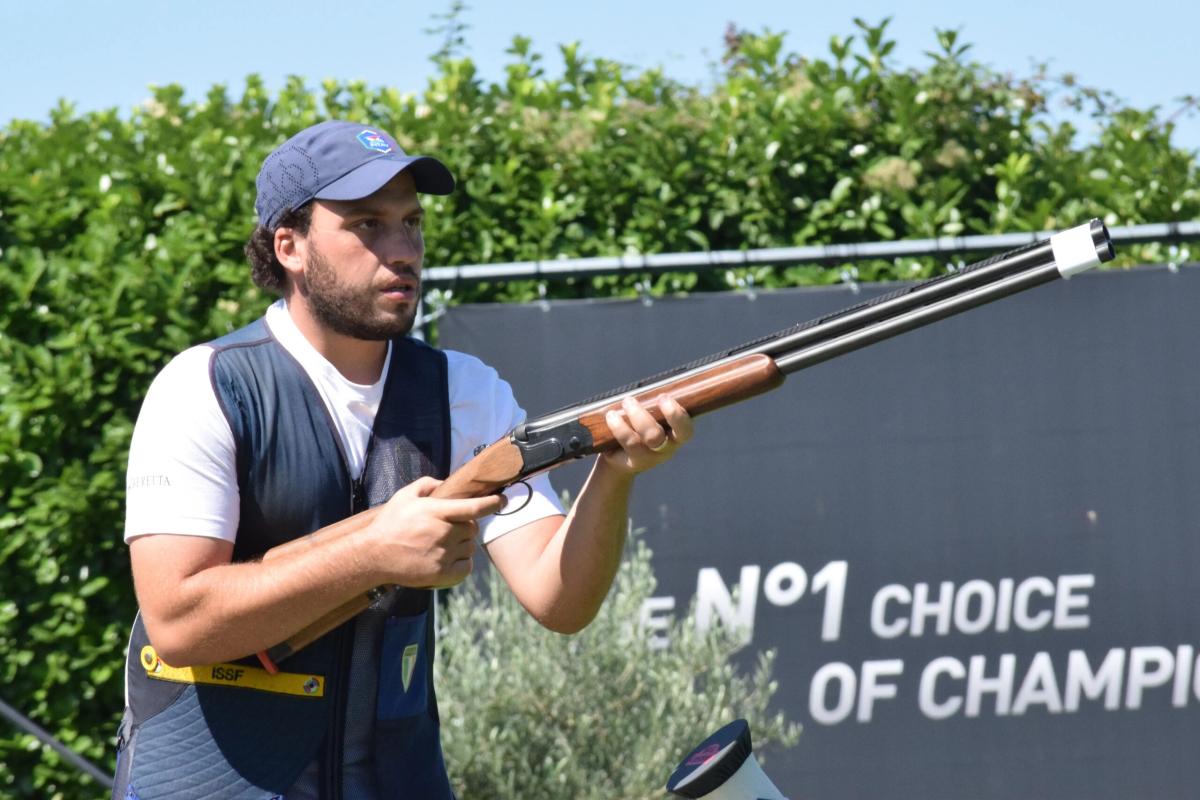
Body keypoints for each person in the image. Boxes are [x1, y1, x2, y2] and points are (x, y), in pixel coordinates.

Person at [111, 120, 692, 800]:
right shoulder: (206, 386)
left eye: (411, 223)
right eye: (367, 226)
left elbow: (557, 600)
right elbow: (177, 622)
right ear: (289, 246)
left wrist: (613, 476)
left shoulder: (465, 390)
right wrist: (371, 555)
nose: (403, 250)